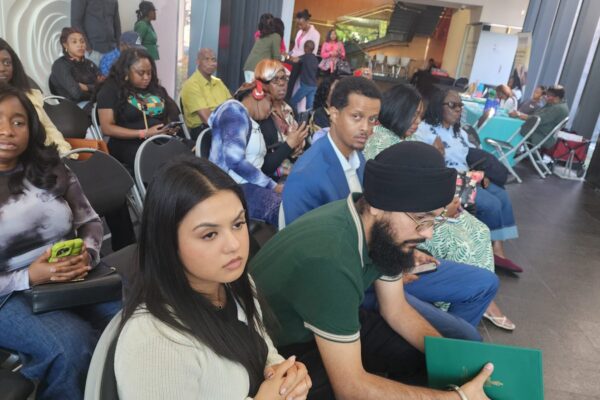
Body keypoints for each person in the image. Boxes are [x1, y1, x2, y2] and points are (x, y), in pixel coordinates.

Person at [250, 141, 497, 400]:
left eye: (435, 219)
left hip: (322, 320)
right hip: (281, 351)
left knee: (420, 355)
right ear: (379, 204)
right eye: (421, 218)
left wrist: (449, 360)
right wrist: (458, 397)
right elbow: (351, 388)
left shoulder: (376, 227)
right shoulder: (330, 257)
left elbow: (396, 309)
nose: (428, 233)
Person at [282, 78, 496, 340]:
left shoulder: (359, 159)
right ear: (334, 114)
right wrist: (389, 268)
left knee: (485, 283)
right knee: (465, 335)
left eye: (372, 119)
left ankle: (436, 344)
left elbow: (381, 223)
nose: (366, 128)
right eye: (357, 117)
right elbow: (315, 261)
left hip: (383, 261)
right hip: (358, 281)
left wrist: (407, 251)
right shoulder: (309, 176)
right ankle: (438, 345)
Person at [85, 156, 310, 399]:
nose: (234, 245)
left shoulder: (233, 282)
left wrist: (284, 374)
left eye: (238, 224)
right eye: (210, 234)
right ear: (167, 242)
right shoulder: (155, 343)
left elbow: (262, 348)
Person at [0, 84, 120, 400]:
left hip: (70, 274)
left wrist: (88, 254)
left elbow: (89, 221)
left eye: (18, 121)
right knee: (71, 347)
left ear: (31, 127)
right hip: (7, 293)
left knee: (129, 318)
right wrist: (29, 276)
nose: (7, 130)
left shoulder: (51, 168)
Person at [365, 84, 515, 330]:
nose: (417, 121)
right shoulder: (380, 141)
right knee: (460, 243)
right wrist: (442, 211)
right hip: (407, 217)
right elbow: (400, 194)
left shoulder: (407, 137)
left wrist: (445, 203)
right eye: (413, 115)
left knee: (480, 230)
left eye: (419, 115)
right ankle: (453, 303)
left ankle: (481, 298)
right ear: (397, 111)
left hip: (423, 206)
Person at [415, 89, 523, 273]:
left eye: (460, 105)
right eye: (452, 105)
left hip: (468, 176)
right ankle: (497, 252)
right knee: (492, 204)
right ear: (438, 106)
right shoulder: (423, 130)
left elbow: (470, 155)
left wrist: (481, 174)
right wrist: (435, 155)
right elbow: (422, 163)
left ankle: (497, 246)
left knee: (502, 196)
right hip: (447, 180)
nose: (458, 109)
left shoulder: (460, 132)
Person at [208, 81, 281, 225]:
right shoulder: (234, 110)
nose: (271, 110)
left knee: (295, 199)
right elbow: (235, 160)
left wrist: (282, 171)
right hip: (233, 187)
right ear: (258, 95)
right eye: (271, 103)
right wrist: (273, 186)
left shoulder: (249, 119)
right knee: (284, 208)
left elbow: (255, 161)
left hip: (248, 185)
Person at [95, 48, 180, 170]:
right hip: (128, 143)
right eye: (141, 73)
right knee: (166, 162)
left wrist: (169, 128)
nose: (146, 77)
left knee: (189, 155)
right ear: (126, 71)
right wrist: (144, 133)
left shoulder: (155, 89)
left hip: (159, 139)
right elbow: (107, 128)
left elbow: (171, 113)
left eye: (149, 73)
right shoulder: (110, 90)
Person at [0, 38, 71, 155]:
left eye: (7, 63)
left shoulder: (30, 96)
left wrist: (65, 154)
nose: (2, 68)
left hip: (36, 158)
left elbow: (50, 131)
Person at [254, 60, 308, 180]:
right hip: (274, 182)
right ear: (262, 84)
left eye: (283, 78)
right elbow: (264, 167)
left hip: (297, 172)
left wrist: (301, 142)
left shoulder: (289, 108)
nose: (282, 83)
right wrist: (290, 144)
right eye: (275, 80)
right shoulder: (260, 116)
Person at [180, 48, 231, 138]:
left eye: (213, 60)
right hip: (204, 131)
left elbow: (233, 107)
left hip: (224, 126)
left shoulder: (218, 82)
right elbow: (208, 118)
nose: (211, 63)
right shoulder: (191, 85)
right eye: (206, 59)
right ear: (198, 62)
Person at [50, 27, 103, 107]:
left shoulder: (89, 64)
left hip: (95, 102)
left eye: (82, 41)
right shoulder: (60, 65)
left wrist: (87, 87)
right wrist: (97, 89)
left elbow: (105, 86)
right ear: (65, 45)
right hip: (73, 107)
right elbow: (77, 94)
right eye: (74, 42)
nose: (80, 45)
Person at [71, 0, 121, 66]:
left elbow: (116, 23)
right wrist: (88, 48)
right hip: (93, 52)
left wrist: (119, 46)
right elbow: (76, 23)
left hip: (112, 50)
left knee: (114, 73)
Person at [285, 9, 320, 101]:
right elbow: (295, 48)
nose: (299, 27)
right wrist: (288, 54)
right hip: (295, 59)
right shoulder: (299, 32)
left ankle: (287, 99)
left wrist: (299, 58)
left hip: (304, 62)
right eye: (298, 24)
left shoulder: (315, 34)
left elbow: (313, 53)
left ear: (307, 21)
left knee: (291, 79)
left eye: (301, 24)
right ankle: (286, 97)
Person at [521, 85, 569, 150]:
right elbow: (539, 114)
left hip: (541, 136)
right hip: (543, 134)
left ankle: (512, 151)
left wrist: (520, 115)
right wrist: (548, 102)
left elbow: (537, 119)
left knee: (518, 127)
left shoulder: (558, 108)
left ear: (557, 98)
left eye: (548, 96)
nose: (546, 97)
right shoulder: (559, 104)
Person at [243, 13, 282, 83]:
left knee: (250, 89)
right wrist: (284, 58)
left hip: (248, 67)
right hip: (257, 70)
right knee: (258, 90)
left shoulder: (261, 37)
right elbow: (276, 57)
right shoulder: (275, 36)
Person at [290, 41, 319, 111]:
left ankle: (295, 116)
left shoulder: (305, 57)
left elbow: (295, 60)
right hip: (314, 86)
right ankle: (308, 117)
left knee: (292, 102)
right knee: (309, 107)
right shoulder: (315, 59)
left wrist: (289, 57)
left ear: (306, 48)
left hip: (306, 85)